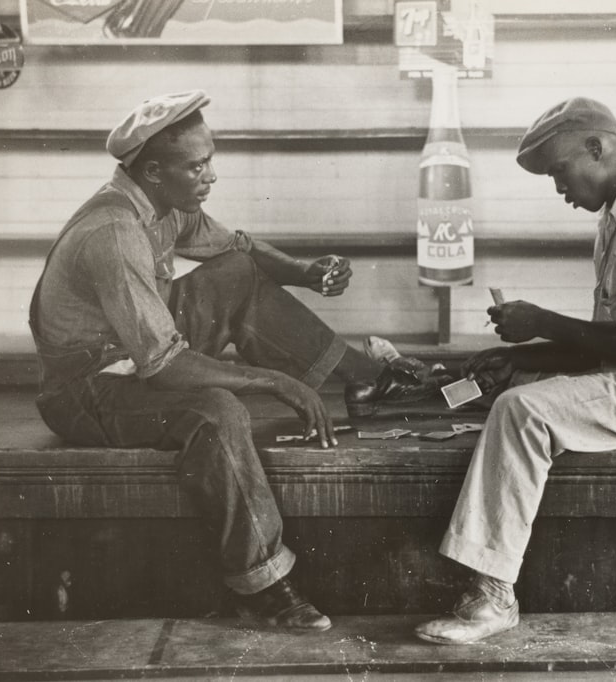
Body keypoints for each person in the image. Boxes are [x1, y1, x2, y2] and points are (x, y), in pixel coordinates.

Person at [29, 90, 439, 632]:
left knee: (235, 274)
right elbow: (165, 366)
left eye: (210, 159)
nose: (211, 176)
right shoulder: (115, 232)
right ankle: (263, 586)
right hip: (87, 389)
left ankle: (364, 382)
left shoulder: (163, 202)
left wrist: (305, 271)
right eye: (197, 166)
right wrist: (274, 383)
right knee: (218, 411)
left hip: (132, 355)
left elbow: (235, 248)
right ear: (152, 171)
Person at [414, 97, 616, 645]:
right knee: (513, 386)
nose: (560, 188)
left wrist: (540, 320)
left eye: (560, 171)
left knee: (519, 411)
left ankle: (493, 596)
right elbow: (607, 348)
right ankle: (490, 575)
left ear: (599, 148)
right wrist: (520, 356)